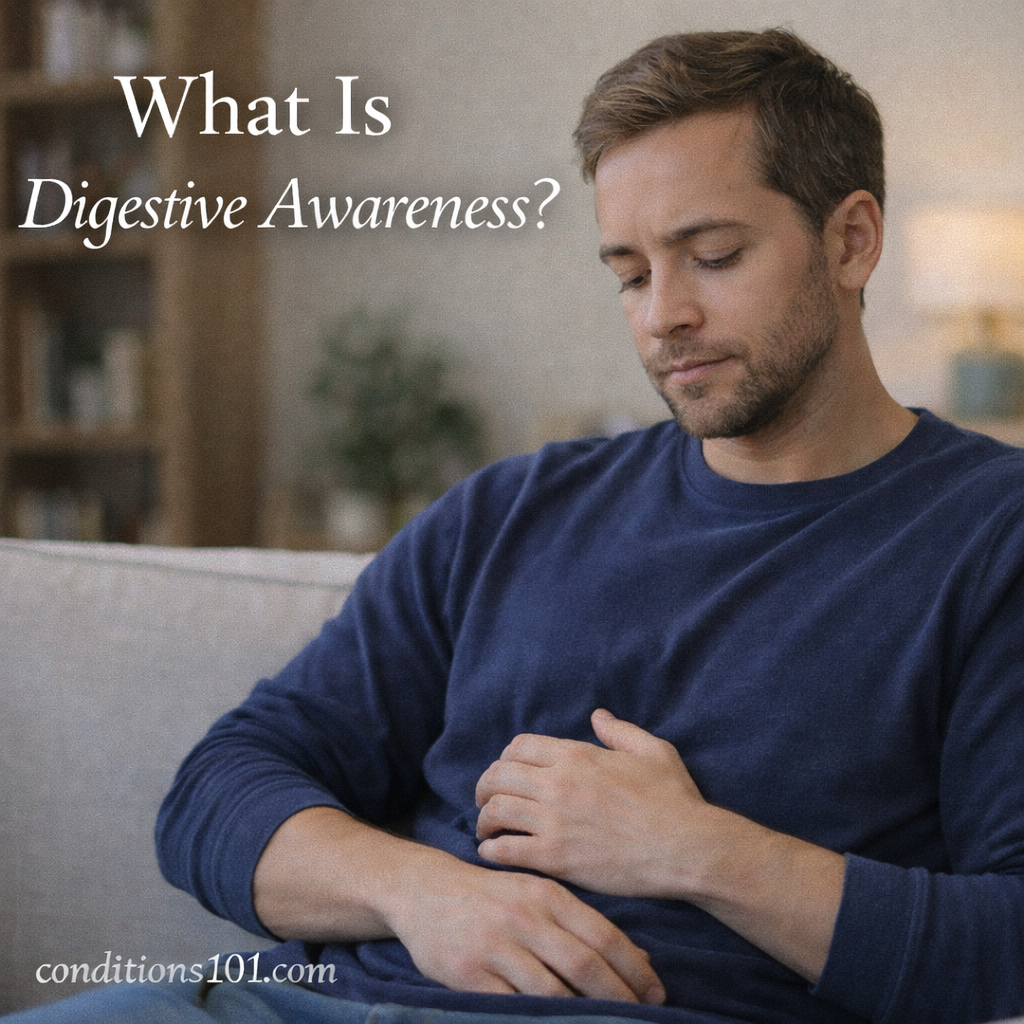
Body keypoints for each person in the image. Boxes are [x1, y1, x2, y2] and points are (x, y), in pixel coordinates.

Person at [7, 27, 1024, 1024]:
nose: (661, 313)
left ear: (850, 239)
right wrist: (422, 891)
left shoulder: (988, 536)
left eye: (711, 255)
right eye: (628, 273)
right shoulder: (513, 509)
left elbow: (1005, 944)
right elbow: (217, 793)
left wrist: (692, 850)